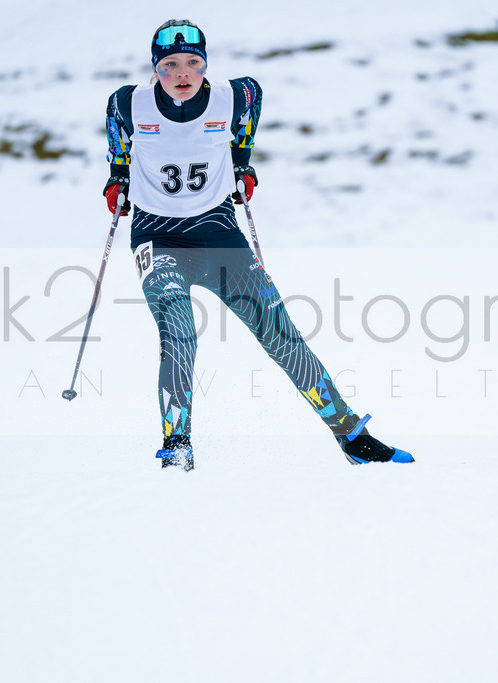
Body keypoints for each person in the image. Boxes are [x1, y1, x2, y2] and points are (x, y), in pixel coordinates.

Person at [102, 19, 413, 471]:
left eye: (193, 63)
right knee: (179, 332)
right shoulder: (128, 102)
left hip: (220, 235)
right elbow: (118, 140)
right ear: (156, 69)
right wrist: (117, 178)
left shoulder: (234, 96)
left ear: (205, 65)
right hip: (158, 237)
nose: (183, 73)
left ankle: (352, 438)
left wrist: (242, 162)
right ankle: (177, 446)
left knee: (280, 334)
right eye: (170, 65)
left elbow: (253, 107)